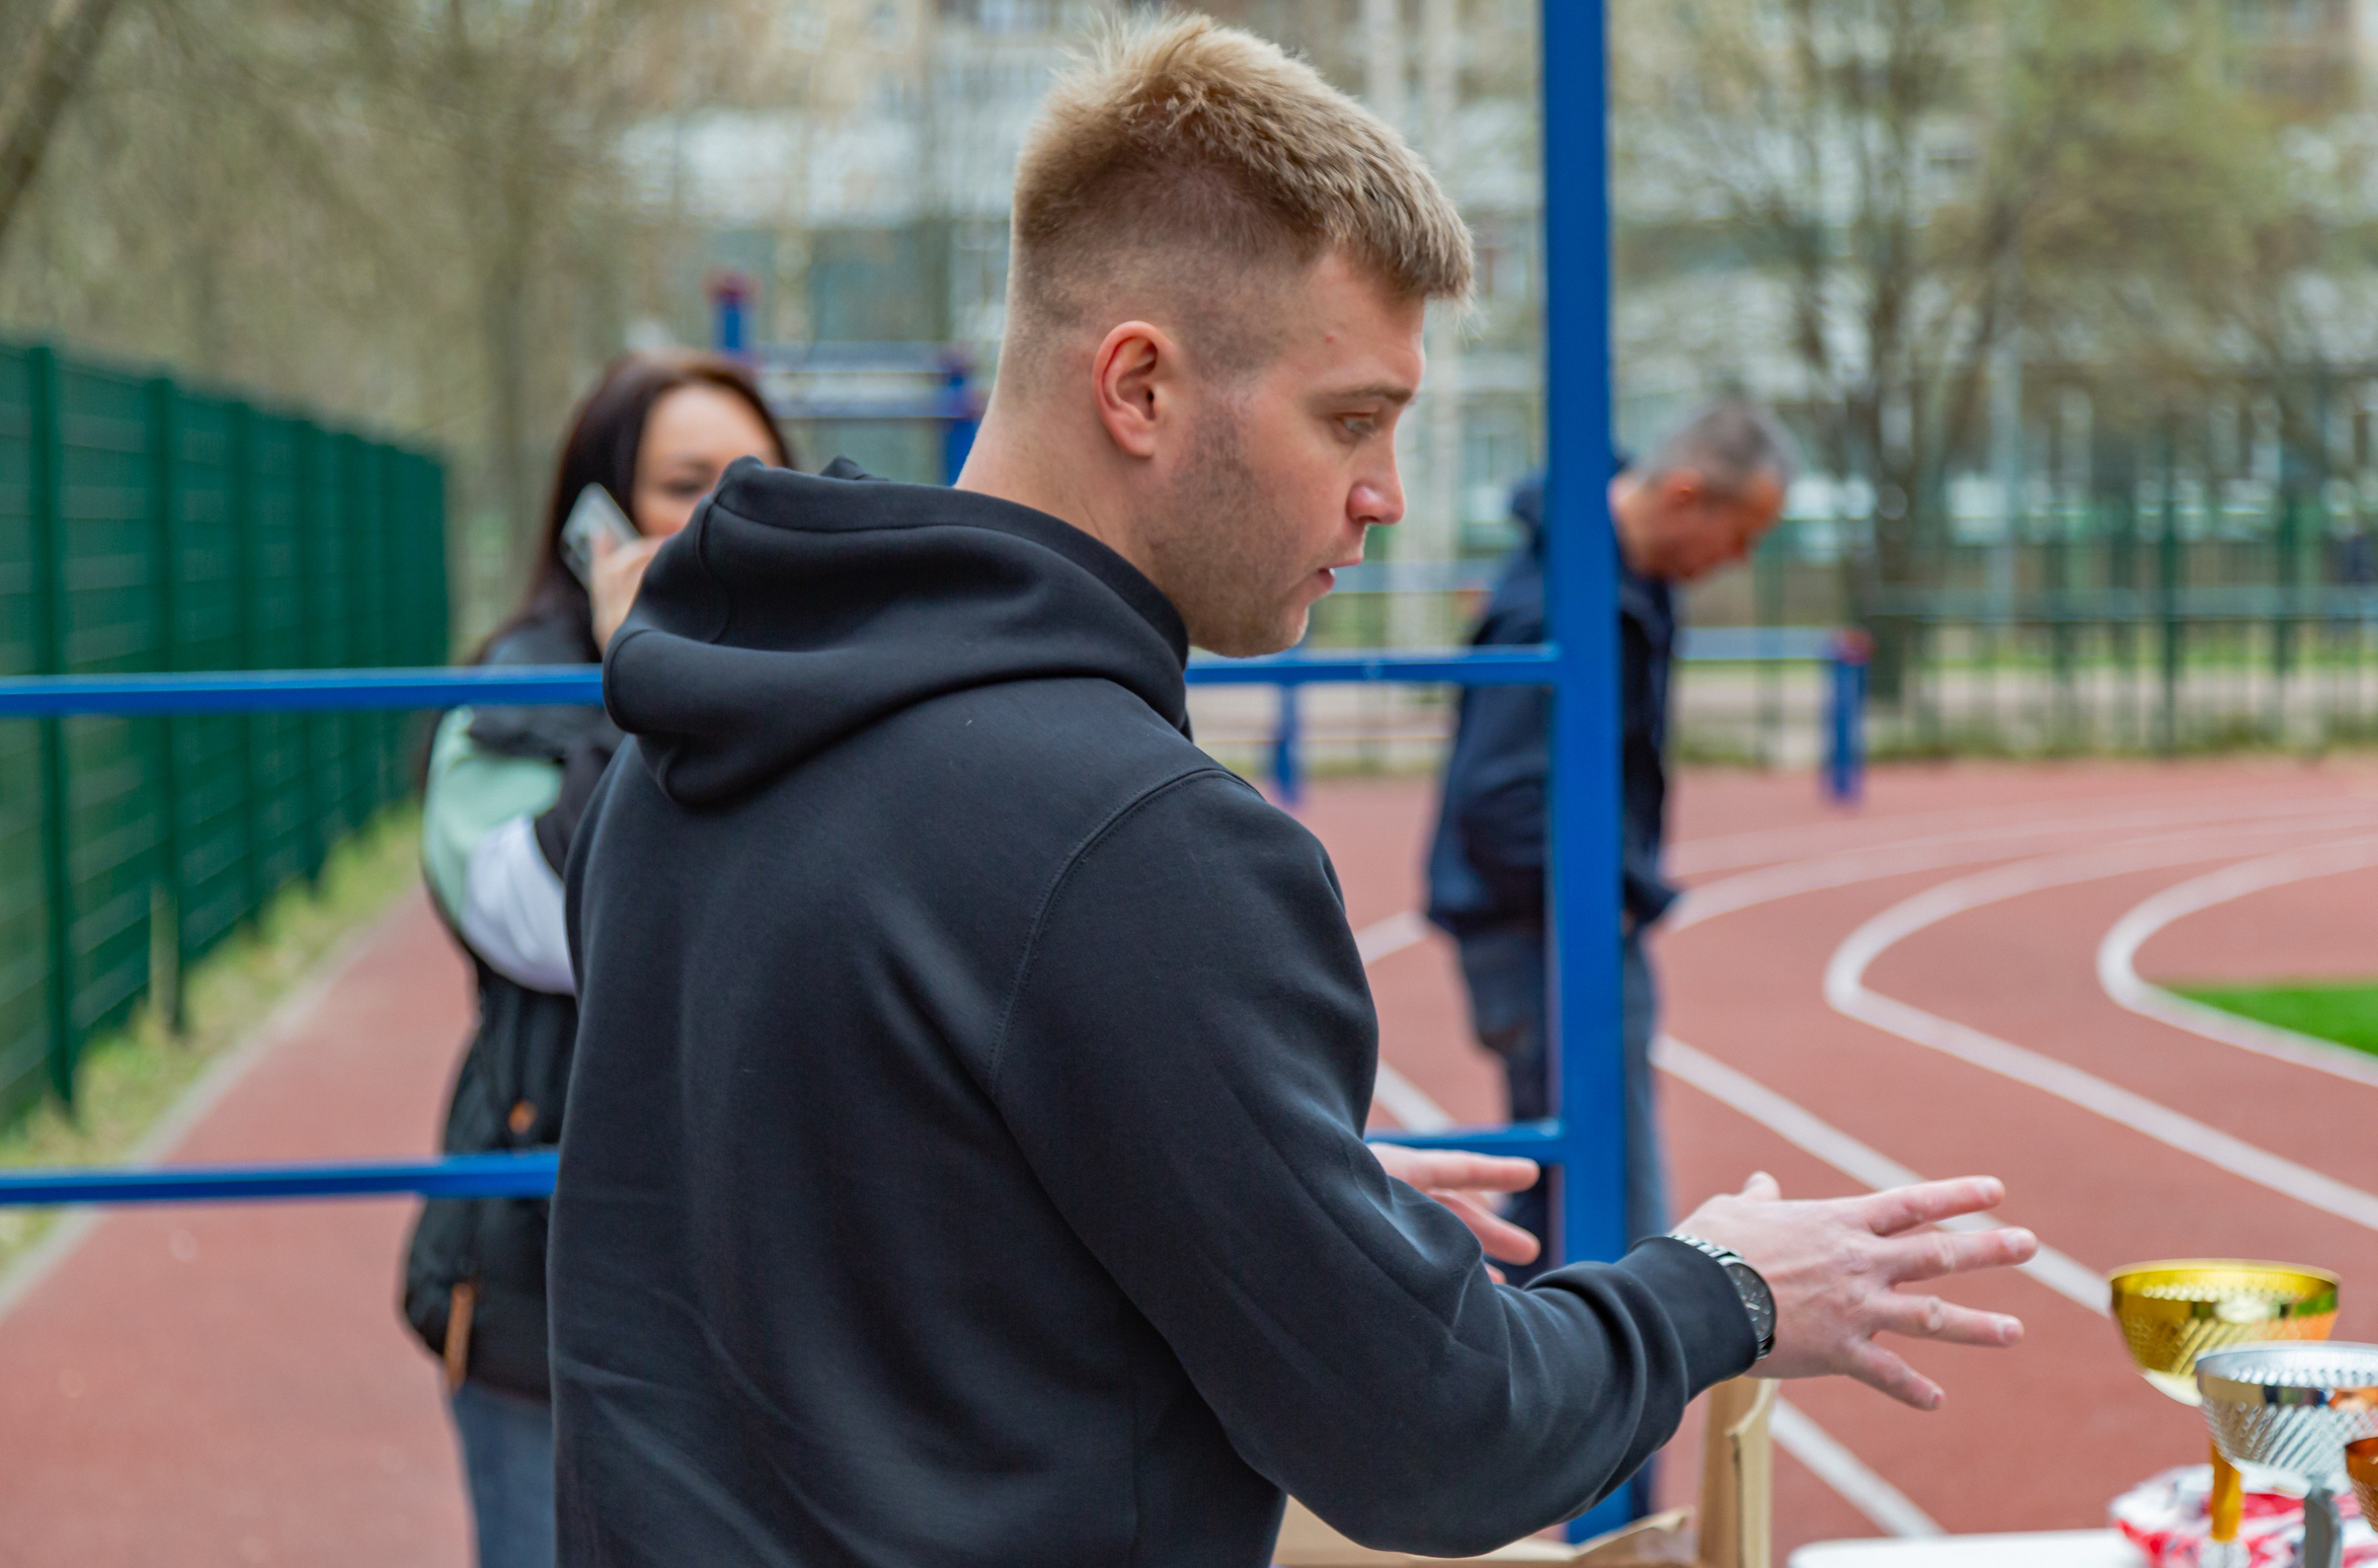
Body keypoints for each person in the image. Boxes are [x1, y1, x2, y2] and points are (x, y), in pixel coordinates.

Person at [549, 20, 2033, 1567]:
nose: (1386, 489)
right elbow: (1438, 1443)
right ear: (1139, 385)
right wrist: (1718, 1288)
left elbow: (845, 1224)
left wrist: (1236, 1184)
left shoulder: (687, 737)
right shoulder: (1141, 845)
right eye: (1351, 418)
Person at [400, 352, 790, 1568]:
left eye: (755, 478)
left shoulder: (818, 675)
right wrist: (644, 688)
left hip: (763, 1265)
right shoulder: (517, 690)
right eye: (686, 482)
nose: (726, 510)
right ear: (599, 514)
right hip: (544, 1270)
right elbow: (543, 920)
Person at [1426, 406, 1795, 1272]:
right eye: (1739, 536)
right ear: (1683, 495)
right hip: (1541, 928)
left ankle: (1525, 1376)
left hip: (1556, 915)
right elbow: (1497, 800)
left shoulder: (1620, 576)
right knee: (1610, 1204)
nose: (1737, 561)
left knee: (1566, 1195)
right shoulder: (1558, 605)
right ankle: (1580, 1388)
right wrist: (1619, 893)